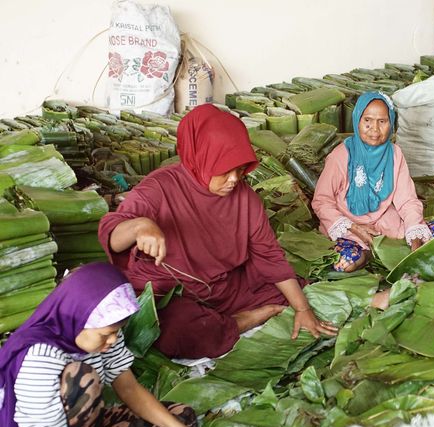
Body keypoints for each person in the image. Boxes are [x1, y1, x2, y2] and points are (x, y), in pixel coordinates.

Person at [98, 104, 336, 359]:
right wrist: (139, 226)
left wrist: (301, 309)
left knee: (295, 292)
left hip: (225, 287)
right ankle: (243, 321)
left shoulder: (245, 198)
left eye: (240, 168)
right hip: (171, 293)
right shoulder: (160, 188)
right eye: (224, 169)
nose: (234, 179)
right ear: (200, 158)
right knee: (178, 333)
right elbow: (112, 236)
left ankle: (228, 320)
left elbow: (269, 257)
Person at [0, 263, 204, 427]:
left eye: (117, 331)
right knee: (81, 377)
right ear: (78, 317)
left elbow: (127, 387)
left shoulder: (102, 331)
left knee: (181, 419)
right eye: (106, 334)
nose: (112, 340)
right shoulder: (40, 358)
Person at [312, 92, 434, 272]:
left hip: (386, 222)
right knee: (347, 263)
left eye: (382, 121)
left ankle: (377, 248)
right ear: (357, 120)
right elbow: (322, 201)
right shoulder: (341, 155)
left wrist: (414, 232)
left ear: (391, 123)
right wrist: (353, 228)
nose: (374, 129)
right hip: (350, 225)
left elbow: (406, 200)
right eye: (367, 120)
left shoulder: (395, 154)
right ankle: (366, 253)